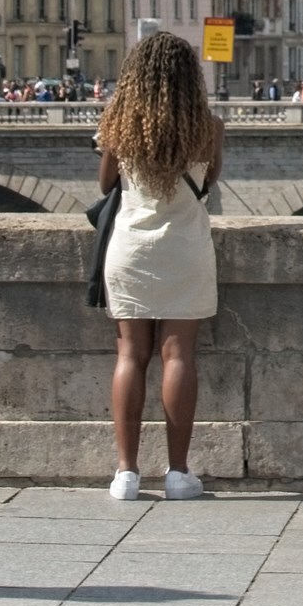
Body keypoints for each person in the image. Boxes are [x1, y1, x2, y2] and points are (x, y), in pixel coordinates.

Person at [91, 30, 221, 502]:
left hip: (130, 249)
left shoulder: (119, 125)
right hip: (185, 248)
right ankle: (178, 473)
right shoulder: (208, 126)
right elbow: (209, 183)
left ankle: (126, 473)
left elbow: (106, 185)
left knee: (129, 356)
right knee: (178, 356)